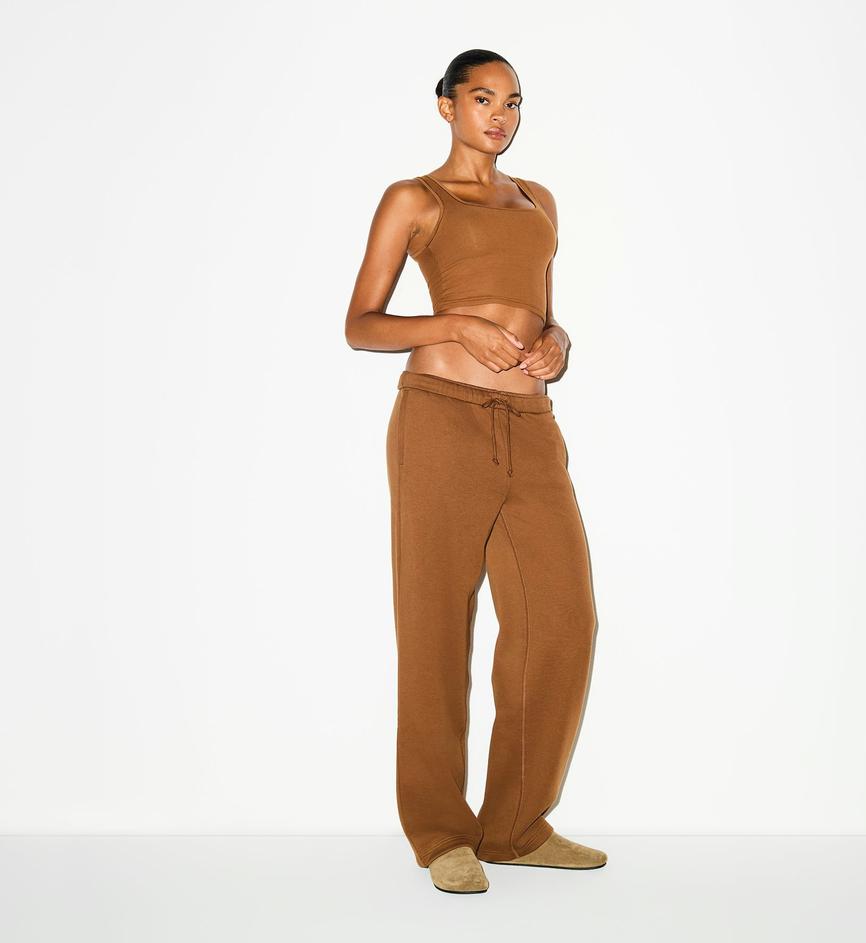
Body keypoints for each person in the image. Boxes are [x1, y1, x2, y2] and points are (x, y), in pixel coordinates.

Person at [345, 49, 606, 894]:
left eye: (513, 102)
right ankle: (439, 833)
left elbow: (543, 310)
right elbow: (360, 324)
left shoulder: (538, 201)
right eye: (483, 98)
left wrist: (558, 341)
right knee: (435, 625)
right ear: (446, 106)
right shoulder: (415, 198)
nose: (500, 115)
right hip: (439, 419)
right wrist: (453, 326)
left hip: (529, 424)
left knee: (561, 620)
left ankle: (515, 828)